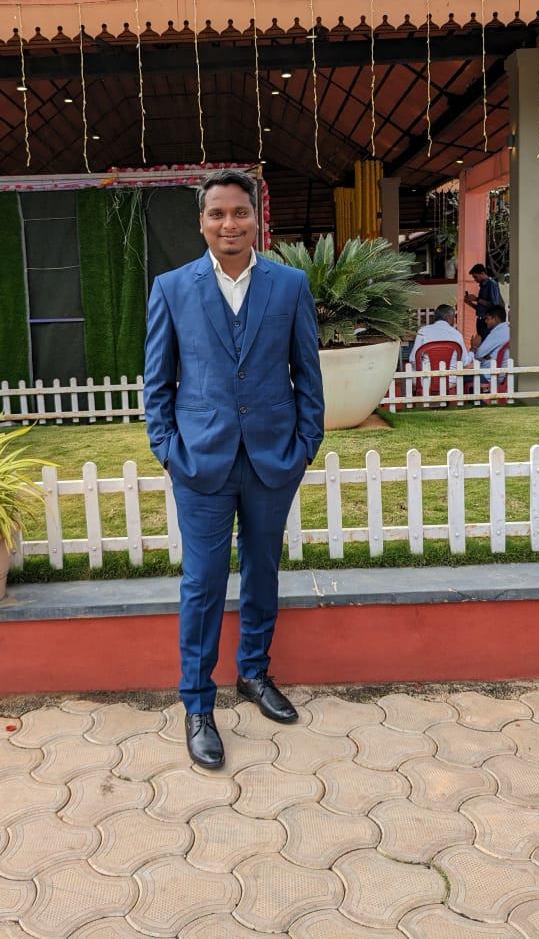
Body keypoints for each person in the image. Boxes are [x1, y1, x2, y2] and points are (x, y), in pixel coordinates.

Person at [144, 169, 324, 770]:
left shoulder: (289, 285)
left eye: (240, 212)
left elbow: (307, 373)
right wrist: (169, 449)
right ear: (201, 222)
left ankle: (254, 673)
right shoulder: (172, 288)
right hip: (201, 462)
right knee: (202, 583)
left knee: (262, 572)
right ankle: (197, 703)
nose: (230, 224)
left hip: (273, 458)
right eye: (217, 213)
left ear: (256, 219)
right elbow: (157, 382)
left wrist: (306, 445)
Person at [409, 303, 472, 382]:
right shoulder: (457, 334)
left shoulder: (423, 331)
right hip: (450, 381)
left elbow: (413, 359)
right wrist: (473, 350)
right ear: (448, 317)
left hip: (425, 381)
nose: (454, 320)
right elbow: (464, 362)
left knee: (408, 376)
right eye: (453, 318)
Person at [470, 304, 510, 380]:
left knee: (460, 377)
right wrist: (486, 356)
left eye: (487, 319)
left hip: (489, 375)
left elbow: (478, 354)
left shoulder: (498, 332)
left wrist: (474, 346)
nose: (485, 321)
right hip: (501, 374)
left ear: (496, 319)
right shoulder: (507, 329)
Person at [464, 263, 502, 340]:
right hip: (481, 320)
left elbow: (494, 305)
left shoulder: (491, 284)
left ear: (482, 273)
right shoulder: (483, 286)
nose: (475, 279)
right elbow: (481, 308)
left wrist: (477, 299)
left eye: (476, 277)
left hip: (487, 321)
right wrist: (470, 303)